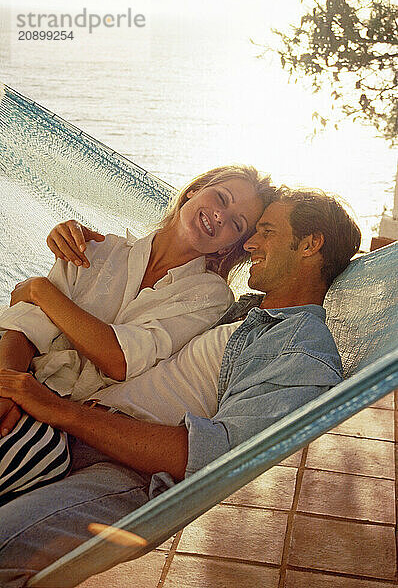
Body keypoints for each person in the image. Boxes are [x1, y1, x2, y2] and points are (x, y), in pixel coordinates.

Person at [0, 187, 361, 587]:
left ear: (310, 244)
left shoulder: (301, 348)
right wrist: (94, 259)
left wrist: (61, 411)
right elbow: (138, 308)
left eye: (266, 231)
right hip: (73, 431)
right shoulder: (241, 311)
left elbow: (226, 462)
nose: (251, 244)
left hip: (123, 471)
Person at [0, 165, 271, 498]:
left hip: (55, 423)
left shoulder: (209, 296)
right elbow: (23, 325)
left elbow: (120, 359)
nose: (220, 215)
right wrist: (7, 386)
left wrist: (41, 288)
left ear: (228, 248)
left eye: (237, 223)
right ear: (193, 191)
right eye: (221, 197)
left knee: (39, 453)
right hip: (10, 369)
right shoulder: (97, 247)